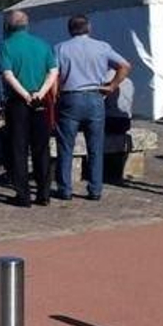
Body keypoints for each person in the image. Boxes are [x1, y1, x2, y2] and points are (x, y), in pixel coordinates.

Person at [51, 15, 131, 201]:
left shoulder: (60, 48)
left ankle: (65, 188)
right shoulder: (102, 47)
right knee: (95, 146)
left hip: (71, 96)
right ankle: (95, 189)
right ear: (89, 28)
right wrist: (112, 85)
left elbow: (54, 75)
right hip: (95, 96)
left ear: (69, 29)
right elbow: (125, 65)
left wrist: (56, 97)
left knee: (66, 145)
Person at [0, 9, 59, 207]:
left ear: (8, 26)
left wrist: (24, 94)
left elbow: (7, 74)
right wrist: (41, 93)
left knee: (19, 148)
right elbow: (53, 71)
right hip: (40, 98)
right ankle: (44, 193)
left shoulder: (5, 46)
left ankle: (23, 195)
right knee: (41, 148)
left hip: (18, 101)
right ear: (27, 24)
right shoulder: (42, 44)